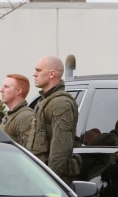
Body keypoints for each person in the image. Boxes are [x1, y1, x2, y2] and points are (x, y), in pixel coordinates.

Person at [27, 56, 80, 185]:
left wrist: (50, 181)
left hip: (50, 179)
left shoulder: (60, 103)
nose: (34, 74)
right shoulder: (44, 101)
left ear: (52, 74)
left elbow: (60, 146)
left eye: (38, 70)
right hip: (39, 174)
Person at [0, 74, 34, 146]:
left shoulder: (25, 117)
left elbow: (28, 151)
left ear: (18, 91)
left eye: (6, 87)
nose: (1, 90)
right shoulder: (10, 116)